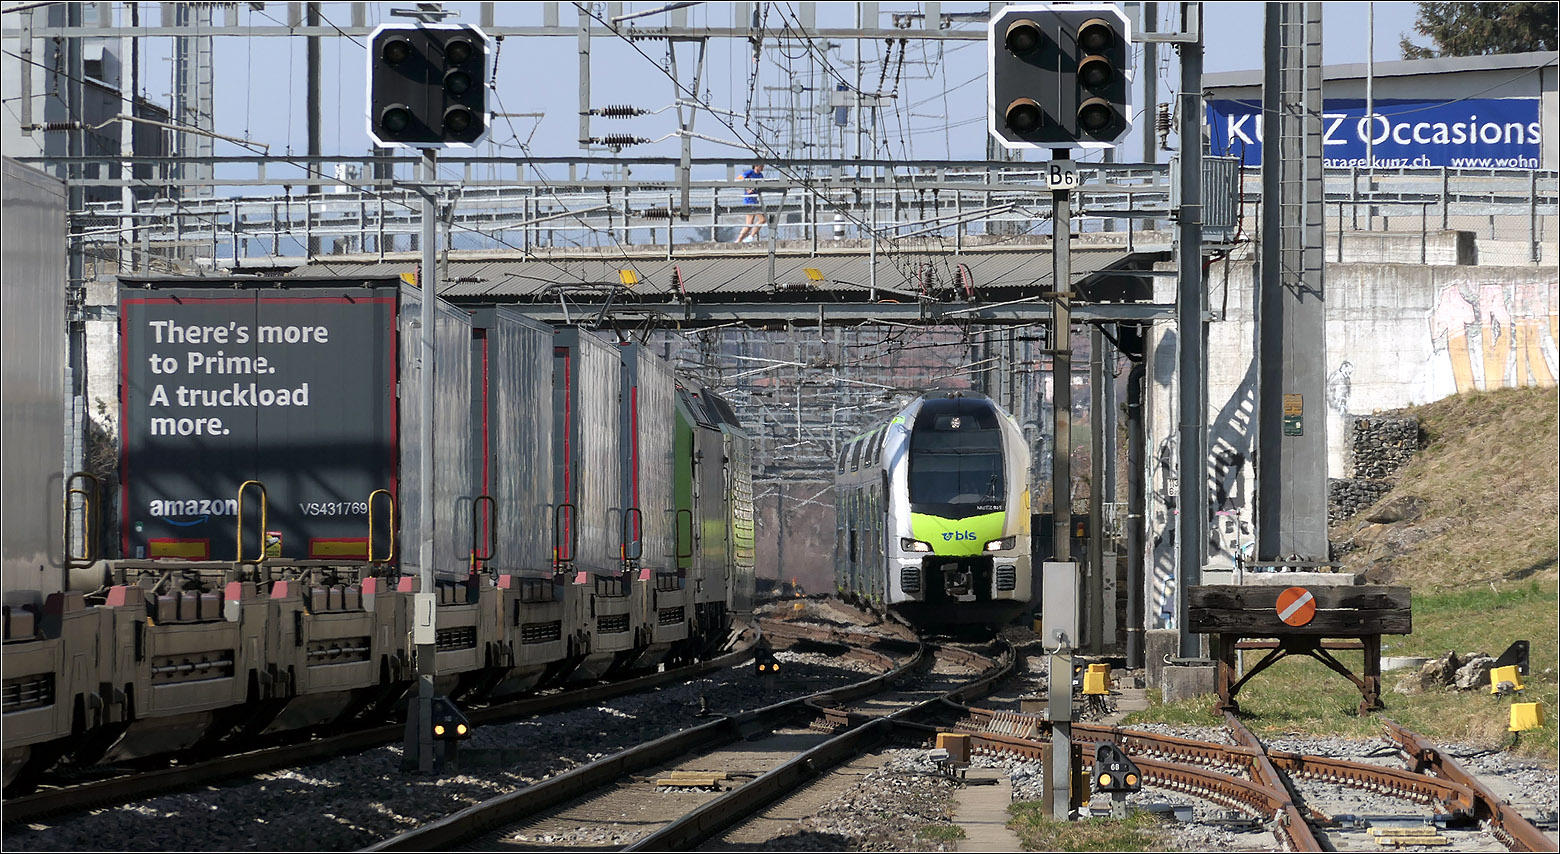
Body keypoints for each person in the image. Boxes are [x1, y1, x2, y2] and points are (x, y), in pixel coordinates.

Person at [734, 162, 766, 243]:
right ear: (756, 165)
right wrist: (747, 188)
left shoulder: (760, 175)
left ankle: (748, 237)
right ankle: (740, 240)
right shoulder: (749, 173)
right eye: (761, 165)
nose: (763, 167)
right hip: (749, 200)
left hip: (755, 200)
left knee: (762, 219)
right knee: (749, 223)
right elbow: (738, 179)